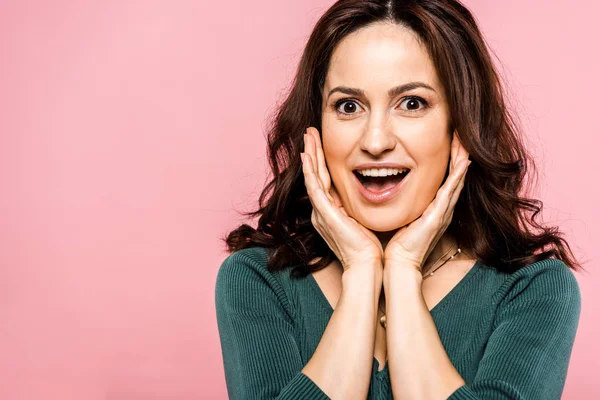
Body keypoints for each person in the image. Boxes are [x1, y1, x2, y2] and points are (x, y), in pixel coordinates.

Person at [215, 0, 583, 398]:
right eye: (348, 106)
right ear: (315, 128)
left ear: (460, 124)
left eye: (412, 103)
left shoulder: (533, 290)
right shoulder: (256, 280)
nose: (375, 142)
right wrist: (361, 272)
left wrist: (404, 271)